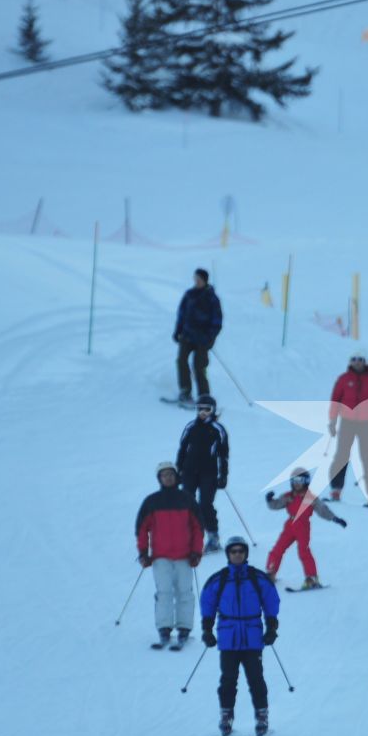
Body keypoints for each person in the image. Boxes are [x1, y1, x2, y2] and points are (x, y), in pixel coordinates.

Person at [199, 536, 280, 736]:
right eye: (233, 551)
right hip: (228, 637)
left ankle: (262, 716)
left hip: (252, 636)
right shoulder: (219, 579)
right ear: (228, 554)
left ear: (245, 554)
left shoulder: (257, 578)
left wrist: (272, 626)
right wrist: (207, 629)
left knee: (256, 679)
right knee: (228, 680)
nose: (237, 554)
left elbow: (271, 599)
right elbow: (207, 602)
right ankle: (226, 716)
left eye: (240, 551)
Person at [136, 461, 204, 650]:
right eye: (164, 475)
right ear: (159, 478)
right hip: (161, 557)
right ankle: (164, 629)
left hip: (184, 556)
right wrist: (143, 552)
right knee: (164, 593)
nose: (168, 477)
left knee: (185, 593)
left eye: (171, 474)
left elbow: (198, 527)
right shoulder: (152, 501)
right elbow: (142, 529)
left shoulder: (187, 499)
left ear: (176, 476)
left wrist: (197, 551)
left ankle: (184, 628)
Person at [264, 467, 346, 590]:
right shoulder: (288, 496)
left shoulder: (310, 497)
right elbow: (276, 505)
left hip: (302, 526)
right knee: (278, 548)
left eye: (300, 480)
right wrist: (269, 500)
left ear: (306, 481)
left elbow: (322, 509)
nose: (297, 483)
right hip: (290, 525)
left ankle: (311, 578)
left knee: (304, 551)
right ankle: (271, 572)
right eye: (295, 481)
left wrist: (334, 518)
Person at [326, 349, 368, 504]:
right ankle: (336, 490)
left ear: (365, 361)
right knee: (341, 456)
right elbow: (335, 401)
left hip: (366, 423)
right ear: (350, 361)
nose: (357, 362)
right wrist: (332, 421)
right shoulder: (343, 379)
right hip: (347, 422)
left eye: (360, 359)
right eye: (354, 359)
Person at [176, 395, 229, 551]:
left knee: (205, 504)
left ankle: (213, 538)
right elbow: (182, 450)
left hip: (209, 473)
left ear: (213, 410)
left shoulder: (218, 429)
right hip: (189, 471)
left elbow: (223, 455)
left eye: (207, 409)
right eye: (200, 408)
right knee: (188, 504)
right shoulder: (190, 427)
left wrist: (223, 475)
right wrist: (178, 470)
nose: (203, 412)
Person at [173, 268, 222, 404]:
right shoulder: (189, 294)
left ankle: (204, 396)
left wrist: (210, 338)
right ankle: (185, 391)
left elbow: (217, 321)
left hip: (203, 339)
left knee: (199, 366)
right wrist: (178, 330)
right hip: (187, 336)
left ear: (204, 280)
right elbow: (181, 314)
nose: (196, 281)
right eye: (195, 279)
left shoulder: (212, 298)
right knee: (181, 361)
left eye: (199, 279)